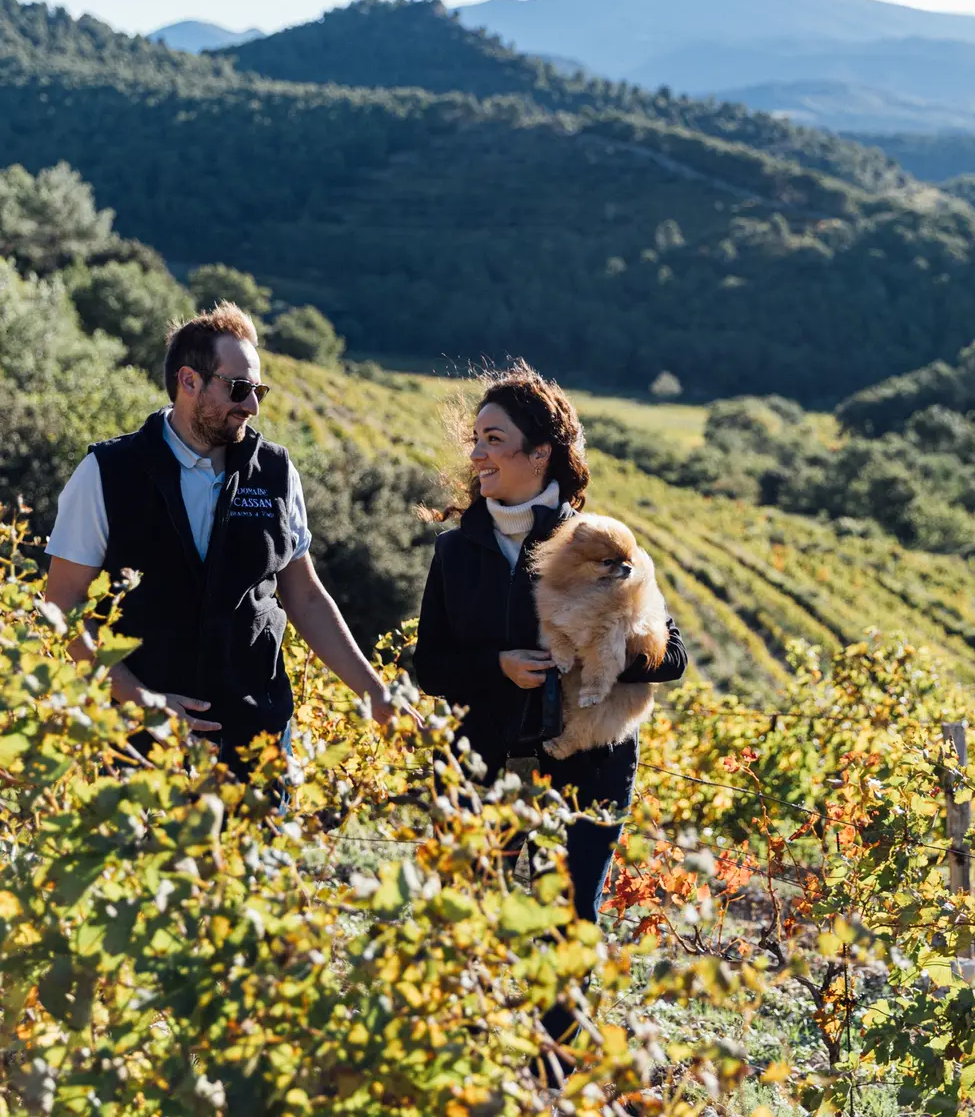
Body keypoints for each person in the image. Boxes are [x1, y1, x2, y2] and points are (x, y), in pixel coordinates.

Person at [412, 361, 687, 1069]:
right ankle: (472, 1067)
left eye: (493, 439)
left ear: (540, 455)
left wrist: (600, 651)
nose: (476, 454)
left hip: (590, 766)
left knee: (568, 921)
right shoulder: (456, 552)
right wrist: (495, 666)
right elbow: (430, 665)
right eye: (475, 438)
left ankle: (558, 1077)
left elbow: (673, 659)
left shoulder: (599, 542)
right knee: (476, 917)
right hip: (486, 765)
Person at [44, 303, 400, 777]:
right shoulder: (107, 473)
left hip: (257, 742)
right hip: (136, 748)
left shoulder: (275, 472)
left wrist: (375, 692)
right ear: (188, 381)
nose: (252, 406)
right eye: (239, 389)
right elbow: (61, 609)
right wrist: (142, 699)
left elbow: (306, 598)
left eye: (258, 391)